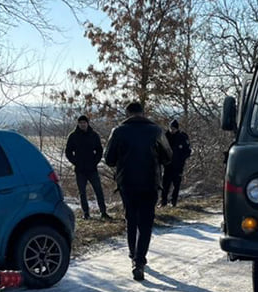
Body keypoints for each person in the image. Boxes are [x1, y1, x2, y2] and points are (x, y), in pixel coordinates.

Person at [104, 101, 172, 281]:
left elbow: (109, 159)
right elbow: (168, 156)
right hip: (150, 182)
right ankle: (139, 260)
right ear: (143, 113)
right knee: (146, 222)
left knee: (131, 218)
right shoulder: (156, 131)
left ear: (127, 114)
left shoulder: (118, 132)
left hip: (127, 182)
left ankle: (133, 254)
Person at [65, 115, 111, 220]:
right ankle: (86, 213)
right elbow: (68, 152)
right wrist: (75, 162)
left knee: (98, 190)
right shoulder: (73, 136)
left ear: (87, 123)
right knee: (82, 192)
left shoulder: (93, 135)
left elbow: (99, 150)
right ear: (78, 124)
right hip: (80, 169)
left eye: (84, 122)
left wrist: (95, 162)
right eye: (80, 123)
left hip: (92, 169)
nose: (83, 124)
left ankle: (103, 212)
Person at [160, 119, 191, 207]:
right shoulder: (165, 136)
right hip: (167, 165)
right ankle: (163, 201)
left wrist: (181, 159)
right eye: (171, 128)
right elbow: (160, 150)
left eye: (174, 128)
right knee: (165, 184)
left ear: (177, 128)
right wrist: (163, 160)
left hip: (178, 165)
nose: (172, 130)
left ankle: (173, 201)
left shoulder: (182, 137)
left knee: (176, 184)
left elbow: (187, 151)